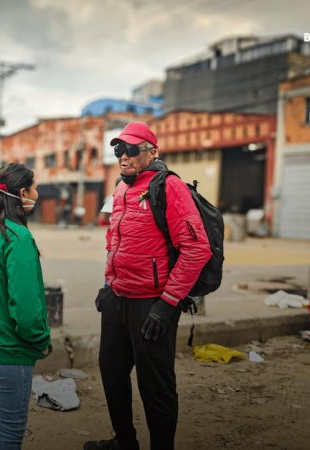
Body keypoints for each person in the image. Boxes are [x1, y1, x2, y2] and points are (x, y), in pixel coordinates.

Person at [85, 122, 211, 450]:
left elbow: (197, 249)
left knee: (155, 386)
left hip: (153, 303)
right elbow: (114, 239)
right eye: (118, 150)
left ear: (152, 152)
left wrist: (167, 304)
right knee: (112, 373)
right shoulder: (121, 188)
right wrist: (107, 284)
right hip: (118, 297)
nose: (123, 157)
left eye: (131, 150)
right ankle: (124, 441)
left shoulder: (168, 187)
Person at [0, 163, 52, 450]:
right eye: (35, 187)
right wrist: (40, 339)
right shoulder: (19, 238)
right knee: (12, 428)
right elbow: (25, 308)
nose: (37, 193)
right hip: (10, 348)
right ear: (22, 192)